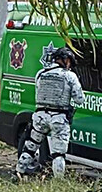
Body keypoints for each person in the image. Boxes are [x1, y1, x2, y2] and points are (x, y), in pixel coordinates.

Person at [16, 47, 85, 179]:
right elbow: (80, 100)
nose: (70, 65)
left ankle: (19, 172)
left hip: (40, 116)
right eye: (69, 61)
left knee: (30, 147)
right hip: (59, 118)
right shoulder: (70, 76)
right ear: (65, 60)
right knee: (58, 154)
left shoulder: (41, 73)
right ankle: (58, 182)